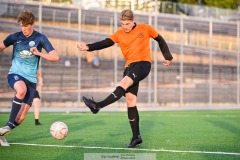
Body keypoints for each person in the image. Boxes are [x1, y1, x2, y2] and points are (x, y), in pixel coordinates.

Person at [77, 9, 173, 148]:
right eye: (123, 24)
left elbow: (160, 39)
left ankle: (97, 106)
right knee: (130, 100)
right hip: (129, 67)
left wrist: (168, 56)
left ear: (133, 21)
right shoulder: (119, 33)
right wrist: (87, 47)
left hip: (143, 64)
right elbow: (105, 43)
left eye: (127, 24)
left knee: (124, 83)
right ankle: (136, 137)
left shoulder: (145, 28)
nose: (125, 27)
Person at [0, 10, 59, 146]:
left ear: (33, 24)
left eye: (27, 26)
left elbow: (55, 57)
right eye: (22, 26)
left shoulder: (41, 38)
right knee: (21, 90)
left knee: (20, 118)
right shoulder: (14, 37)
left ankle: (3, 132)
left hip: (31, 81)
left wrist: (39, 53)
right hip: (15, 74)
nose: (24, 29)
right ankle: (7, 127)